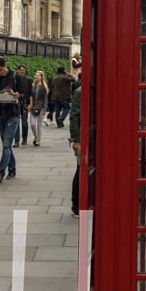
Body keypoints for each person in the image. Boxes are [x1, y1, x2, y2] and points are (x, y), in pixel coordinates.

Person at [0, 57, 24, 183]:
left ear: (6, 66)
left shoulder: (15, 76)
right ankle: (12, 168)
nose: (0, 72)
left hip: (12, 113)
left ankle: (1, 171)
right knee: (5, 143)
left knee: (7, 143)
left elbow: (24, 94)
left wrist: (18, 95)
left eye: (1, 70)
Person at [69, 84, 81, 217]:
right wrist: (77, 139)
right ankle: (76, 205)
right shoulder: (80, 92)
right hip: (84, 137)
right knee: (81, 170)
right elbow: (74, 116)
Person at [14, 63, 33, 147]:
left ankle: (24, 138)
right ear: (18, 70)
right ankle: (16, 140)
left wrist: (31, 103)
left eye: (24, 70)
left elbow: (31, 92)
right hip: (16, 103)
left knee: (24, 122)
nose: (23, 72)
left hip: (25, 102)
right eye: (22, 70)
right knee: (16, 122)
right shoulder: (14, 79)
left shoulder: (28, 79)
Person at [28, 70, 49, 146]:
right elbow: (31, 96)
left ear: (41, 77)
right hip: (34, 107)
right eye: (36, 75)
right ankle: (36, 136)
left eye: (38, 75)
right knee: (32, 124)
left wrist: (45, 109)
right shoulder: (33, 86)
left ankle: (38, 140)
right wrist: (30, 104)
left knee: (39, 125)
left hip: (41, 107)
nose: (36, 76)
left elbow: (45, 99)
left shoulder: (44, 87)